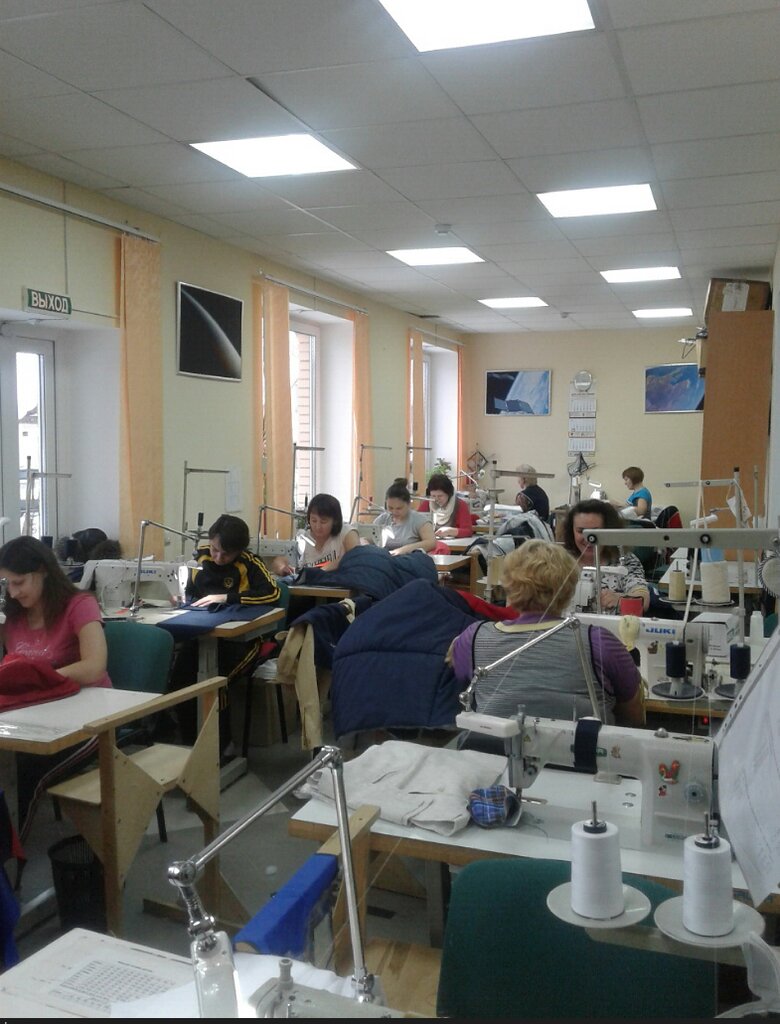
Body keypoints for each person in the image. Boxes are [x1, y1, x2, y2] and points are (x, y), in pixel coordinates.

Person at [450, 539, 643, 727]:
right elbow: (634, 716)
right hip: (579, 748)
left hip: (496, 747)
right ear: (570, 589)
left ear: (508, 585)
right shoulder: (599, 642)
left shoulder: (472, 639)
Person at [0, 535, 111, 839]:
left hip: (88, 720)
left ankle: (11, 853)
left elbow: (94, 666)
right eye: (7, 584)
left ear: (43, 571)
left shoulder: (79, 605)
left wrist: (41, 679)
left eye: (19, 582)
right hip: (33, 713)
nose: (13, 591)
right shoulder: (12, 614)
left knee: (26, 770)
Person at [173, 514, 282, 757]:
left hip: (244, 642)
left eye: (226, 554)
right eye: (215, 549)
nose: (218, 558)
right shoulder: (200, 557)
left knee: (215, 682)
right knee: (179, 680)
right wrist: (178, 597)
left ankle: (222, 748)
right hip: (203, 637)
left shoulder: (249, 563)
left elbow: (273, 593)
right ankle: (191, 747)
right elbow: (187, 589)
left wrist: (227, 597)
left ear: (239, 551)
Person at [562, 499, 650, 612]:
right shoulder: (560, 560)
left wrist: (620, 599)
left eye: (595, 532)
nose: (588, 539)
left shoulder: (625, 560)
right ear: (571, 531)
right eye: (581, 531)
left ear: (609, 530)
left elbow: (643, 599)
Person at [273, 494, 360, 575]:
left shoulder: (346, 533)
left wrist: (322, 570)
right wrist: (282, 567)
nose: (318, 527)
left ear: (335, 521)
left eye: (323, 522)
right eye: (314, 520)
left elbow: (357, 558)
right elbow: (279, 561)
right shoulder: (304, 538)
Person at [373, 479, 436, 556]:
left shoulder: (419, 520)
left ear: (409, 504)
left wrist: (404, 550)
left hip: (409, 560)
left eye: (399, 508)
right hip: (384, 559)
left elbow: (431, 542)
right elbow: (367, 538)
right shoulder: (382, 519)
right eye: (390, 508)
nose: (394, 512)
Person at [417, 473, 474, 539]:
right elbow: (415, 525)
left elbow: (468, 531)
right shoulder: (426, 504)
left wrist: (449, 531)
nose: (436, 499)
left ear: (449, 494)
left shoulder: (460, 505)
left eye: (440, 496)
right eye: (433, 496)